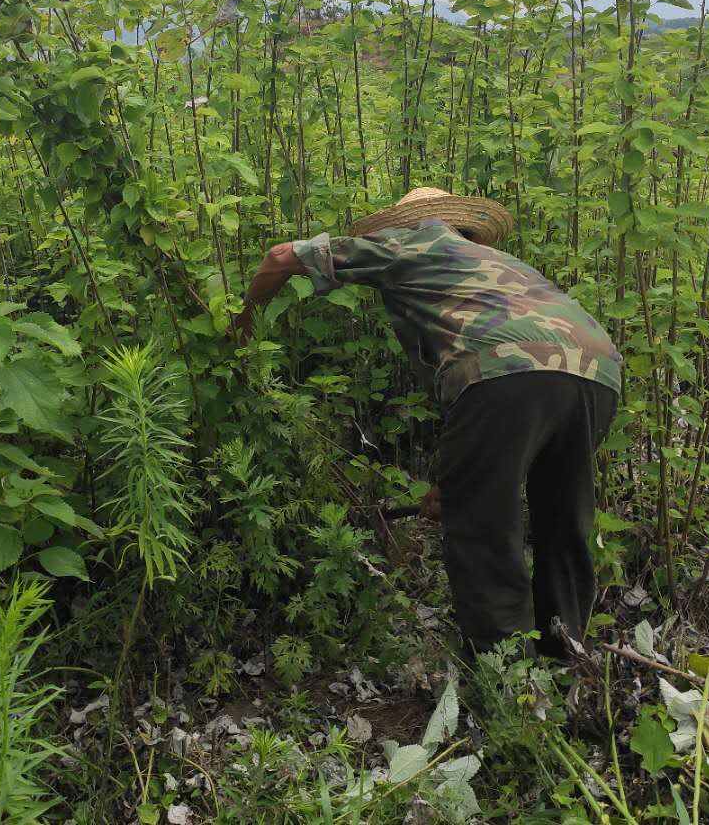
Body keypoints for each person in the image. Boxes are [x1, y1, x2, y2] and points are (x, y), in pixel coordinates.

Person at [233, 187, 622, 660]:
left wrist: (243, 323)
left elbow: (279, 258)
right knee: (563, 522)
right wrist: (448, 482)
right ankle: (567, 659)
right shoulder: (498, 263)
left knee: (484, 534)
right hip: (597, 373)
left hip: (505, 376)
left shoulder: (411, 242)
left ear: (404, 223)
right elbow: (479, 403)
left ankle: (510, 685)